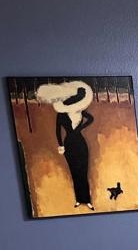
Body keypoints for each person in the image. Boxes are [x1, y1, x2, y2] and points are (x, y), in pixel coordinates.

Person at [36, 81, 96, 209]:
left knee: (83, 171)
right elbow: (57, 131)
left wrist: (80, 129)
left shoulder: (80, 111)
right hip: (69, 145)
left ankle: (87, 200)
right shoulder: (61, 115)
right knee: (74, 172)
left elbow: (91, 119)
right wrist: (61, 145)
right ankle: (79, 199)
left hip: (81, 143)